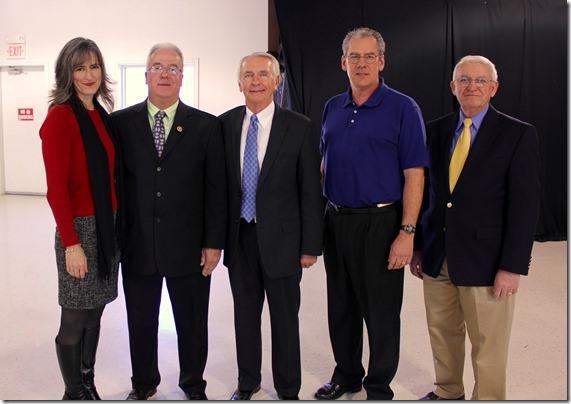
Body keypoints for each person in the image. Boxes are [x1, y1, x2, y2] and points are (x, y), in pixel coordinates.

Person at [410, 55, 540, 400]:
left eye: (480, 81)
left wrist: (512, 267)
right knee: (442, 333)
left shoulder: (516, 135)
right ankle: (447, 390)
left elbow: (524, 208)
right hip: (438, 255)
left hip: (487, 260)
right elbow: (428, 197)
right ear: (453, 87)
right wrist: (420, 246)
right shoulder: (434, 130)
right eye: (464, 80)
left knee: (488, 344)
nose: (471, 87)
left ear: (493, 88)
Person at [315, 27, 427, 400]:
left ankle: (378, 386)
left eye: (369, 57)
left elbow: (414, 174)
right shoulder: (333, 106)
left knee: (380, 312)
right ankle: (347, 376)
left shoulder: (403, 108)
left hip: (382, 224)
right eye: (354, 57)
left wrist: (407, 232)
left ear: (381, 61)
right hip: (337, 220)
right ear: (343, 62)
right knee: (341, 308)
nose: (361, 64)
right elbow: (323, 166)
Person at [111, 43, 226, 400]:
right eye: (158, 67)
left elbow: (215, 189)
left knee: (192, 323)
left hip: (189, 246)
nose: (165, 73)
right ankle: (143, 384)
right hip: (138, 243)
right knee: (141, 321)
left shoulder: (206, 126)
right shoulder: (120, 124)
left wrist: (213, 242)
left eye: (173, 68)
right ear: (146, 75)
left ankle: (193, 384)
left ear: (182, 76)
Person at [219, 52, 323, 400]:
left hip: (283, 242)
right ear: (239, 83)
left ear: (277, 82)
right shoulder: (226, 124)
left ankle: (288, 388)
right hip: (240, 239)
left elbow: (310, 191)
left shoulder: (299, 126)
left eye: (264, 74)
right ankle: (247, 382)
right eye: (248, 75)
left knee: (284, 321)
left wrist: (310, 246)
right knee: (245, 319)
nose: (256, 81)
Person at [40, 37, 119, 400]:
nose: (89, 75)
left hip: (107, 227)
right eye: (80, 67)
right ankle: (73, 392)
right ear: (67, 73)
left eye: (94, 66)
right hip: (81, 231)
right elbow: (56, 189)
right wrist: (72, 243)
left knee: (95, 312)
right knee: (74, 317)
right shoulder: (60, 116)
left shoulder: (100, 114)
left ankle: (87, 381)